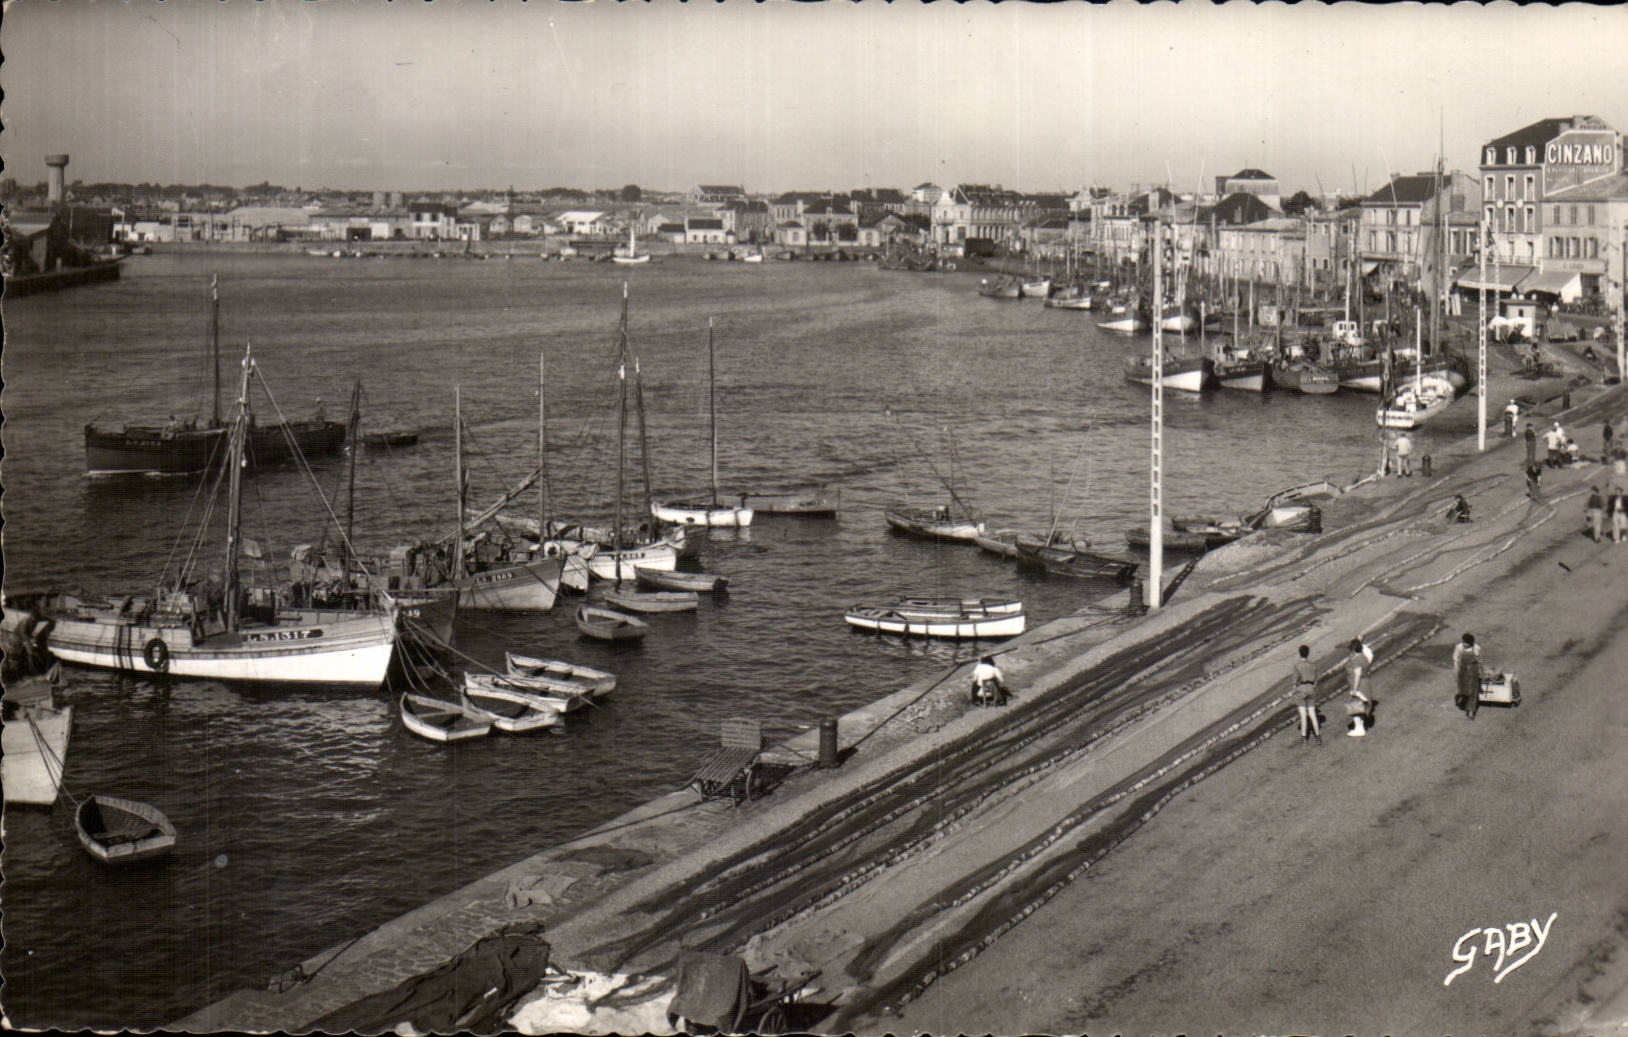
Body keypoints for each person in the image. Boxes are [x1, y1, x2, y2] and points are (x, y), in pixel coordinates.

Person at [1291, 644, 1321, 746]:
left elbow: (1295, 683)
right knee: (1312, 714)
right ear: (1308, 653)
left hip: (1301, 690)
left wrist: (1294, 692)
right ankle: (1318, 737)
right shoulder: (1313, 665)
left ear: (1299, 653)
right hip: (1311, 689)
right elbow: (1316, 681)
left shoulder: (1297, 666)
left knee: (1303, 716)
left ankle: (1304, 738)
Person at [1344, 638, 1373, 737]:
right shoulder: (1364, 657)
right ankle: (1361, 727)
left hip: (1359, 685)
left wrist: (1355, 689)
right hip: (1365, 683)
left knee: (1355, 708)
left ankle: (1359, 729)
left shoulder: (1356, 661)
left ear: (1352, 650)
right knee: (1361, 706)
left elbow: (1357, 675)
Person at [1453, 632, 1482, 720]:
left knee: (1473, 691)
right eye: (1464, 642)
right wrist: (1456, 672)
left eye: (1467, 643)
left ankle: (1471, 711)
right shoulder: (1459, 647)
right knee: (1463, 689)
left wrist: (1481, 671)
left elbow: (1478, 660)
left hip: (1473, 671)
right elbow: (1456, 660)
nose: (1464, 644)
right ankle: (1467, 705)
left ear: (1471, 643)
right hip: (1463, 670)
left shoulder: (1477, 648)